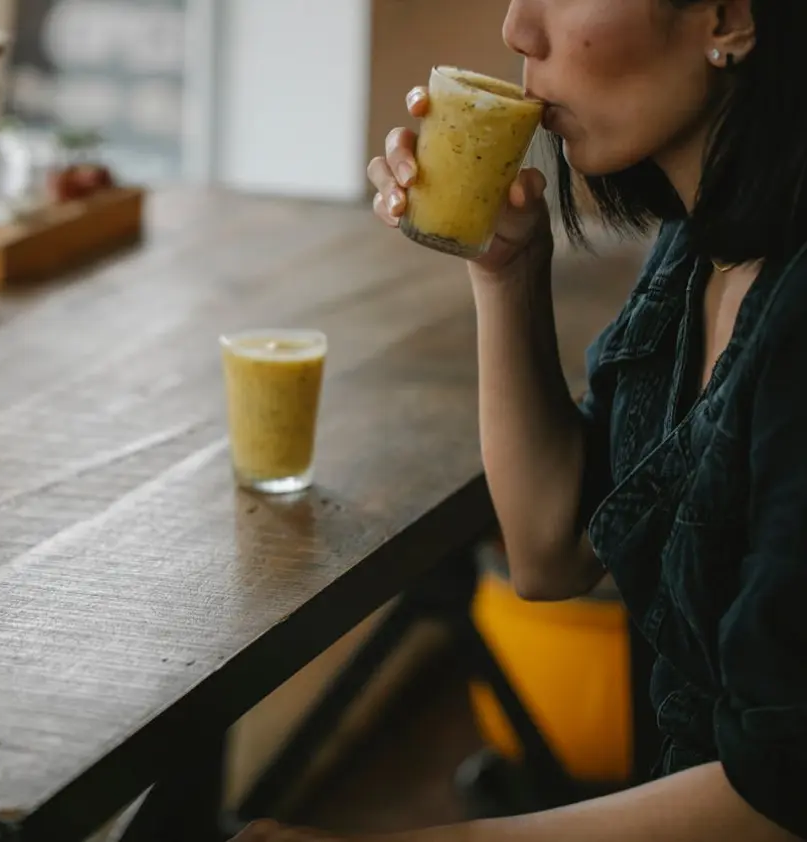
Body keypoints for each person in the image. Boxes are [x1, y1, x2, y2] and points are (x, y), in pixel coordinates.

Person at [236, 0, 807, 840]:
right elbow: (548, 549)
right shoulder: (701, 253)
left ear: (725, 18)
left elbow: (780, 792)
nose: (515, 30)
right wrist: (504, 270)